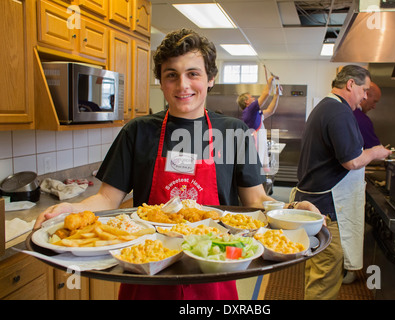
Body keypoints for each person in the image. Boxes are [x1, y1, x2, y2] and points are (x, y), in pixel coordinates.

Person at [34, 28, 318, 300]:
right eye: (172, 75)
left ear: (210, 79)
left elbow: (255, 199)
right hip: (146, 270)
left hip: (213, 269)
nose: (182, 85)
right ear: (161, 81)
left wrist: (290, 210)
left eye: (193, 74)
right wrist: (75, 208)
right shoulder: (138, 131)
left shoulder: (233, 133)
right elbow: (107, 198)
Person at [291, 65, 392, 299]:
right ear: (350, 85)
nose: (366, 96)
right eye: (364, 90)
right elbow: (352, 161)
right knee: (325, 277)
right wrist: (375, 152)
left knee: (317, 271)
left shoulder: (326, 107)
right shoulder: (339, 111)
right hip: (327, 209)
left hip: (314, 205)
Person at [237, 75, 281, 171]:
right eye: (251, 97)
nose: (254, 98)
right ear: (246, 101)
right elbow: (265, 94)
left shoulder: (255, 113)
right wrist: (270, 80)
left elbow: (270, 110)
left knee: (259, 171)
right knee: (255, 172)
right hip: (255, 148)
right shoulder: (249, 110)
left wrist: (277, 95)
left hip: (260, 147)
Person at [353, 82, 382, 149]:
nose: (374, 106)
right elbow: (374, 149)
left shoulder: (343, 110)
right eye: (374, 101)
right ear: (366, 95)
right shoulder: (362, 119)